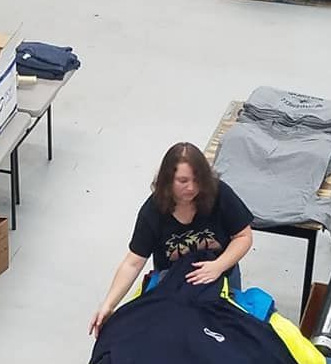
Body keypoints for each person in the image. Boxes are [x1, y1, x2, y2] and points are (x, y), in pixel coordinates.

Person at [89, 142, 253, 337]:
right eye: (183, 181)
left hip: (220, 274)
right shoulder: (152, 212)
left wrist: (218, 266)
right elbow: (133, 262)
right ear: (168, 181)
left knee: (225, 331)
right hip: (173, 280)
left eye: (197, 179)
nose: (192, 188)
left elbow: (243, 236)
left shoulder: (219, 193)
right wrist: (109, 304)